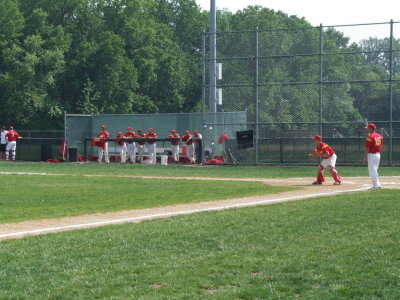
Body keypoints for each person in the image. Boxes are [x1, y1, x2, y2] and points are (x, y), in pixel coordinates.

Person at [364, 123, 383, 189]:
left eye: (368, 129)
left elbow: (367, 148)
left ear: (371, 129)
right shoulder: (379, 136)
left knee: (372, 171)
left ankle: (376, 185)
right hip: (378, 154)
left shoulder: (370, 137)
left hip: (372, 155)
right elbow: (381, 145)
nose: (367, 130)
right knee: (374, 170)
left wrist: (365, 157)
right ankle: (374, 184)